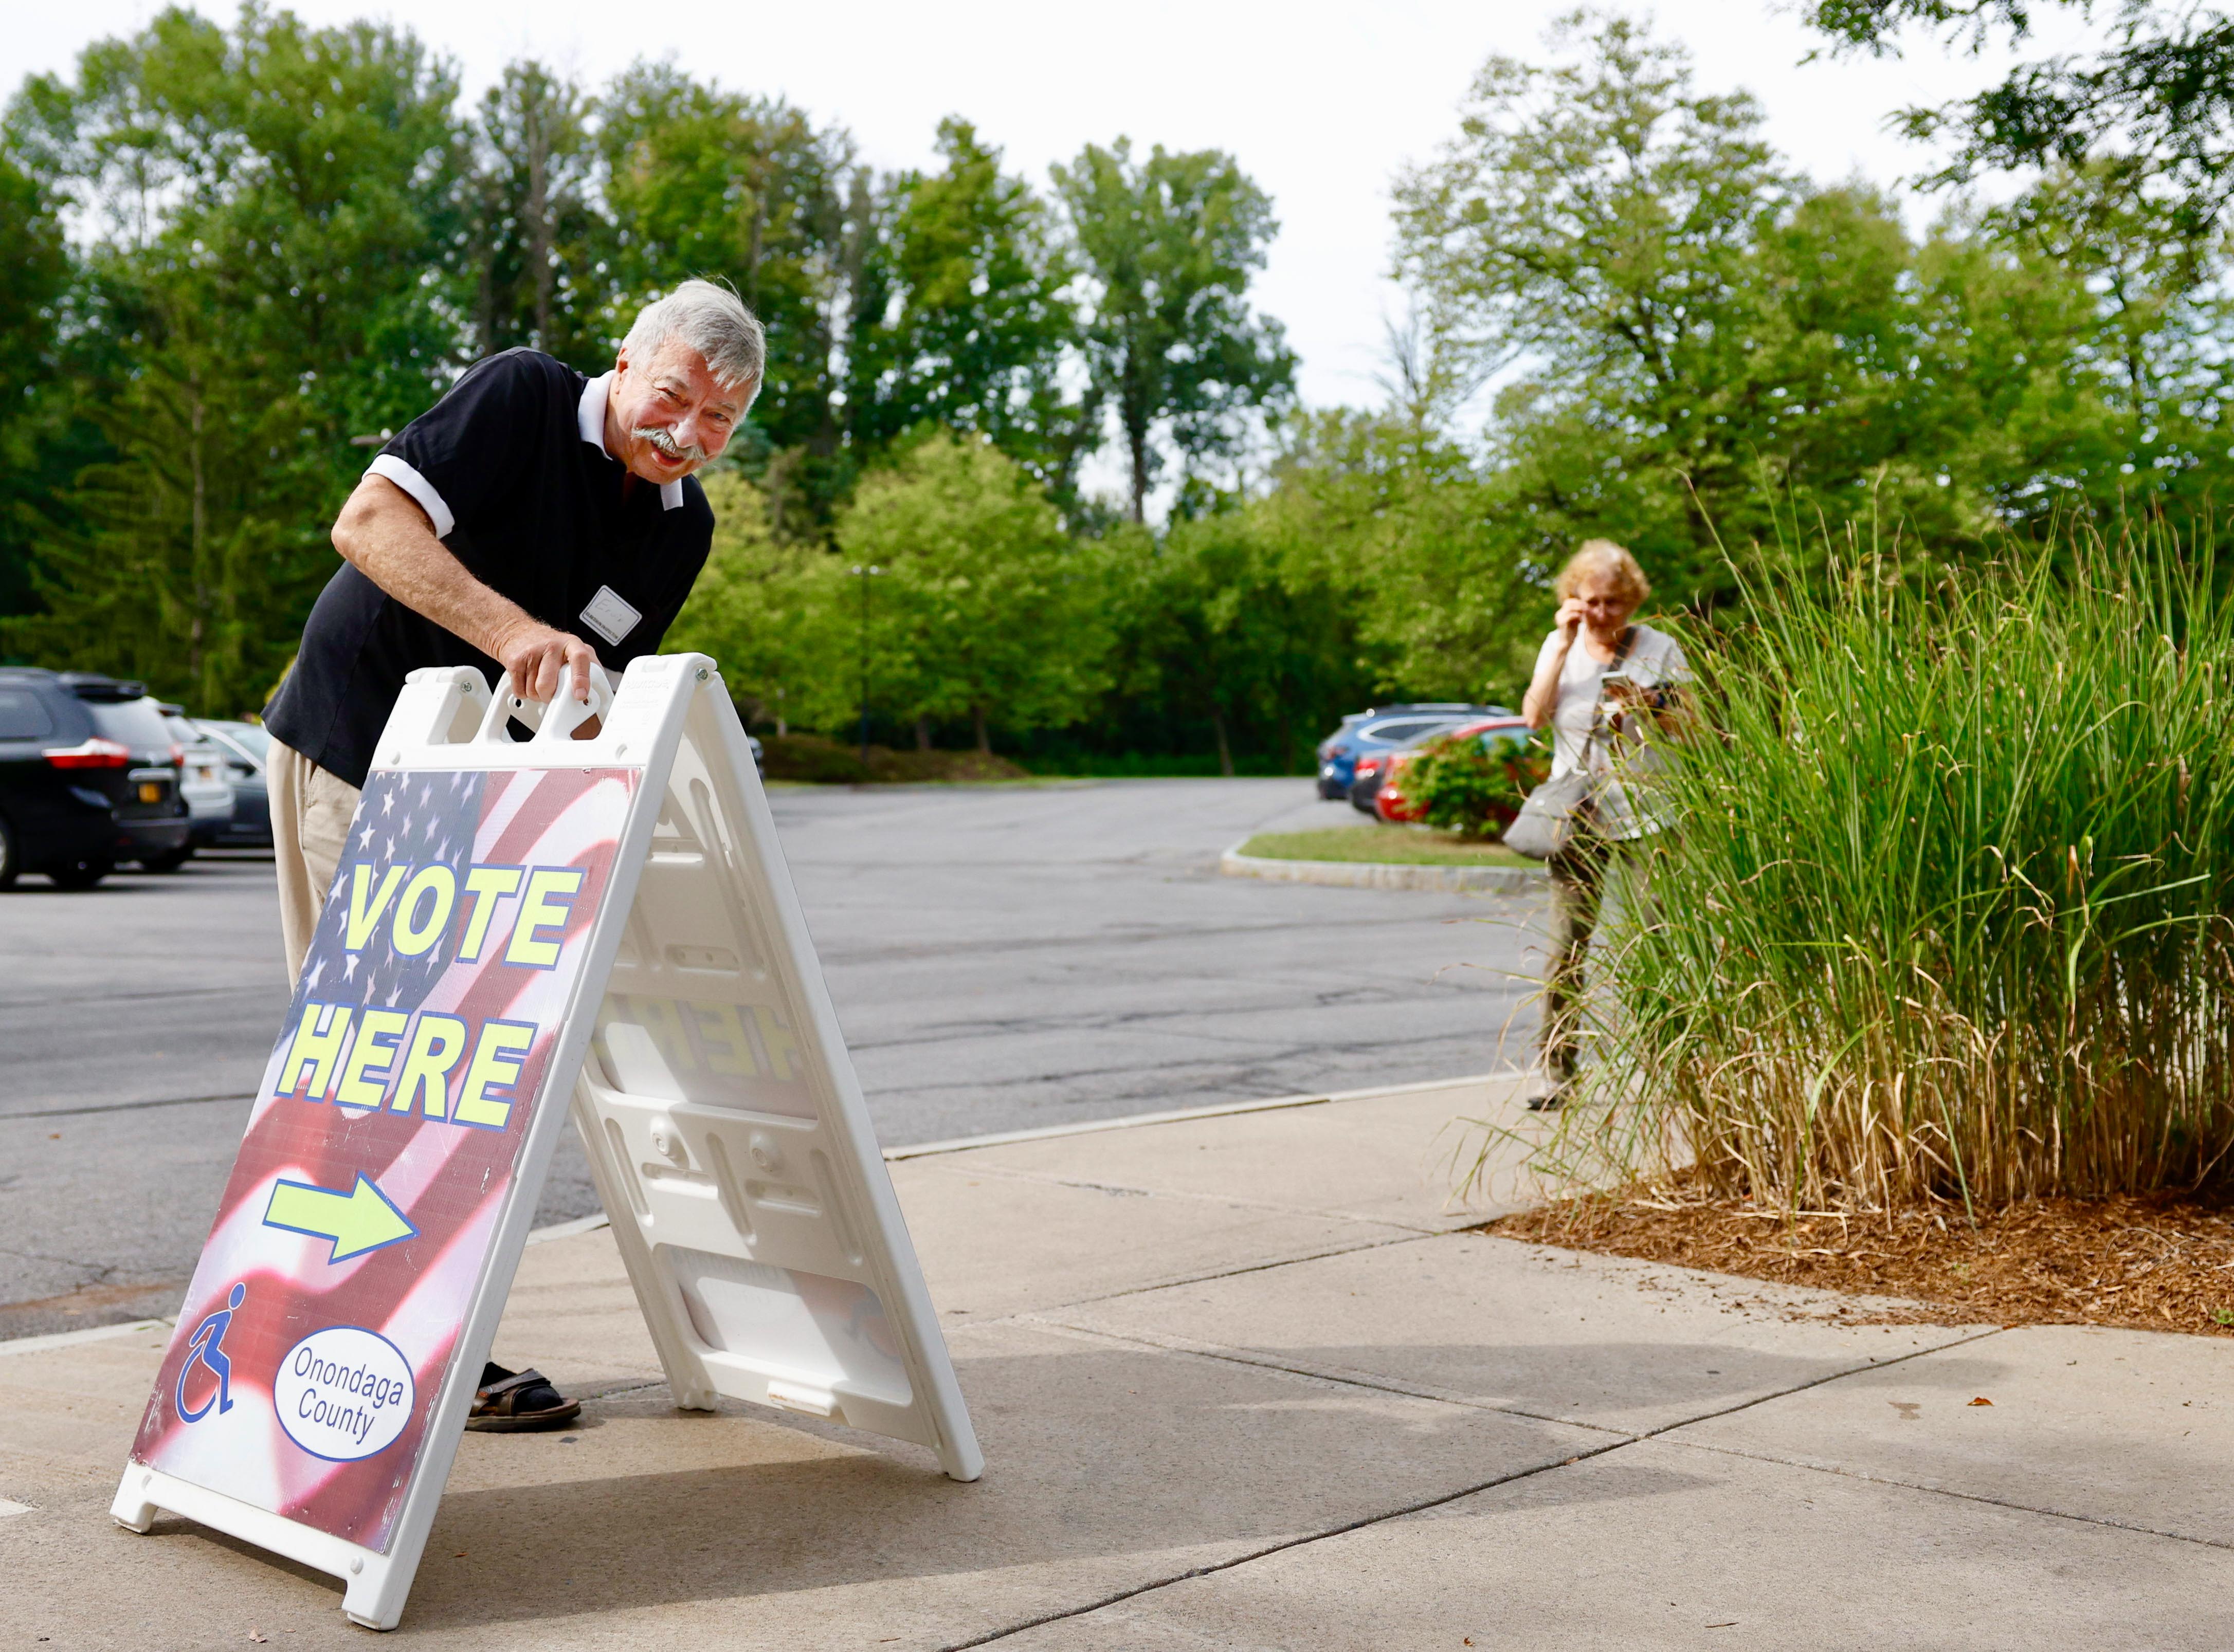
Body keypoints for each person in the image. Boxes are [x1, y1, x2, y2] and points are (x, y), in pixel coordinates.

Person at [261, 279, 765, 1429]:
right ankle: (371, 1353)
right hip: (356, 748)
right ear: (627, 360)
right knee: (370, 1057)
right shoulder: (524, 395)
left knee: (452, 1070)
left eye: (720, 422)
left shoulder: (680, 526)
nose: (686, 433)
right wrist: (512, 634)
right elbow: (368, 526)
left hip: (480, 801)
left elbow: (585, 694)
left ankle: (415, 1334)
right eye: (675, 395)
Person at [1518, 540, 1688, 1110]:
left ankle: (1670, 1065)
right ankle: (1554, 1069)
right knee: (1566, 946)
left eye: (1614, 602)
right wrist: (1564, 644)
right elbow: (1534, 716)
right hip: (1577, 816)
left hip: (1648, 813)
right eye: (1591, 601)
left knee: (1656, 940)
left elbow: (1693, 729)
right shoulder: (1559, 644)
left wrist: (1654, 708)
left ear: (1632, 599)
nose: (1603, 614)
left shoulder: (1660, 648)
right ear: (1573, 599)